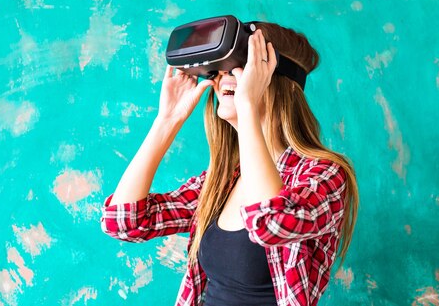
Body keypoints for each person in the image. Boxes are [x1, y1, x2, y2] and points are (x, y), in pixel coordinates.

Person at [101, 21, 359, 306]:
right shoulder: (221, 181)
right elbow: (123, 223)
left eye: (238, 67)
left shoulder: (323, 175)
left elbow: (270, 222)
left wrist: (248, 104)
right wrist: (167, 121)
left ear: (271, 77)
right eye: (219, 70)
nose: (223, 78)